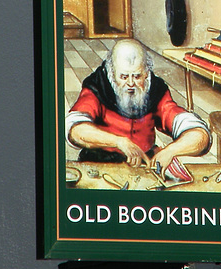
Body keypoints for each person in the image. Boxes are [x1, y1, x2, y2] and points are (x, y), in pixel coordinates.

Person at [66, 38, 211, 177]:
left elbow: (200, 135)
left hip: (145, 165)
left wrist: (170, 151)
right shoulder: (97, 86)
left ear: (146, 73)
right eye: (123, 77)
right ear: (112, 72)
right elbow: (75, 130)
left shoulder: (155, 90)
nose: (130, 83)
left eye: (136, 76)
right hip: (100, 164)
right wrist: (119, 142)